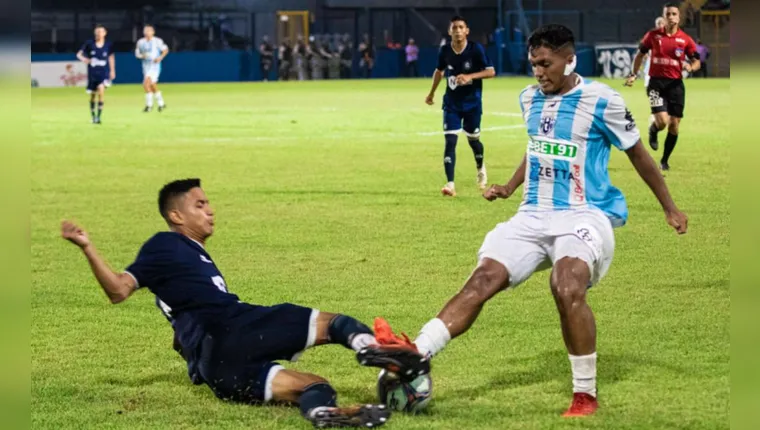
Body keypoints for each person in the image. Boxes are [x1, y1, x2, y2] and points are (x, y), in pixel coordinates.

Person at [359, 24, 688, 418]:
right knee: (482, 280)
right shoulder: (529, 99)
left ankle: (585, 393)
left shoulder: (603, 100)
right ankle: (415, 353)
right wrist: (511, 187)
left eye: (546, 64)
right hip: (531, 214)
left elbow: (637, 155)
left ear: (570, 60)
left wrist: (669, 207)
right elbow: (536, 150)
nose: (539, 72)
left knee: (565, 286)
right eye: (534, 64)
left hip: (584, 214)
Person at [60, 178, 430, 428]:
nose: (210, 210)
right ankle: (370, 348)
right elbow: (119, 290)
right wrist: (88, 247)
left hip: (215, 370)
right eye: (200, 204)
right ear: (176, 216)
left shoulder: (184, 262)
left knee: (312, 384)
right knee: (335, 324)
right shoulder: (166, 244)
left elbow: (178, 330)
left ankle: (323, 412)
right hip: (234, 326)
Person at [425, 16, 495, 197]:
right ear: (449, 32)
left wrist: (470, 76)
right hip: (451, 104)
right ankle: (450, 184)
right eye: (454, 28)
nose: (457, 30)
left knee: (474, 141)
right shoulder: (445, 51)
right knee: (450, 142)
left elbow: (491, 71)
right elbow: (439, 71)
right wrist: (431, 93)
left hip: (472, 104)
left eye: (460, 27)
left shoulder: (475, 49)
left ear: (467, 31)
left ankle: (480, 167)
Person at [625, 2, 701, 171]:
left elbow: (696, 60)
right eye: (668, 14)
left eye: (674, 14)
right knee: (662, 122)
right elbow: (640, 55)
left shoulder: (685, 40)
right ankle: (654, 129)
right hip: (656, 84)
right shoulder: (653, 36)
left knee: (674, 124)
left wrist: (691, 66)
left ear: (679, 17)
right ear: (664, 17)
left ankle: (665, 160)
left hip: (675, 85)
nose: (671, 17)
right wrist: (633, 74)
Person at [76, 24, 115, 124]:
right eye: (97, 32)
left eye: (101, 32)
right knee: (93, 95)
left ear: (105, 33)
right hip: (93, 74)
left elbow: (111, 57)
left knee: (101, 91)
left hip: (104, 73)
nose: (99, 34)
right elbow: (79, 54)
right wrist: (84, 59)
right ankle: (93, 116)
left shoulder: (108, 45)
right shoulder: (89, 44)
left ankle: (99, 116)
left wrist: (112, 70)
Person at [135, 24, 169, 113]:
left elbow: (165, 50)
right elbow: (137, 54)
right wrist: (142, 56)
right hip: (146, 66)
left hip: (155, 66)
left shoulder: (157, 41)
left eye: (149, 30)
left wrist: (160, 58)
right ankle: (161, 103)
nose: (147, 32)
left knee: (146, 84)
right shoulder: (140, 42)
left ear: (153, 32)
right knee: (152, 85)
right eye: (145, 30)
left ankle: (149, 106)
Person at [643, 17, 667, 88]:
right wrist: (645, 54)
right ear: (655, 25)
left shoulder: (668, 35)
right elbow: (644, 46)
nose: (660, 25)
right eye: (658, 23)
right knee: (648, 80)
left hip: (663, 61)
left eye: (662, 23)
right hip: (652, 61)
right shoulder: (651, 35)